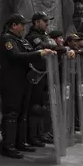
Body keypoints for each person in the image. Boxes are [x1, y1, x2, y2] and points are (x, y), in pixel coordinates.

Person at [0, 14, 55, 158]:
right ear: (13, 25)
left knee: (23, 112)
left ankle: (19, 142)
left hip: (24, 80)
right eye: (21, 25)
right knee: (12, 113)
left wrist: (42, 53)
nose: (23, 27)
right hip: (11, 80)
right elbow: (15, 56)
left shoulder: (20, 40)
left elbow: (28, 52)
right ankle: (8, 145)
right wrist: (38, 54)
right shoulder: (6, 40)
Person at [25, 11, 59, 146]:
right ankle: (33, 137)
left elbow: (52, 45)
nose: (47, 24)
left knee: (43, 106)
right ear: (37, 22)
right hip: (36, 75)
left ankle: (42, 133)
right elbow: (43, 46)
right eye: (45, 21)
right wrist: (54, 46)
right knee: (35, 107)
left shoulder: (44, 36)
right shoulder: (32, 36)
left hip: (45, 74)